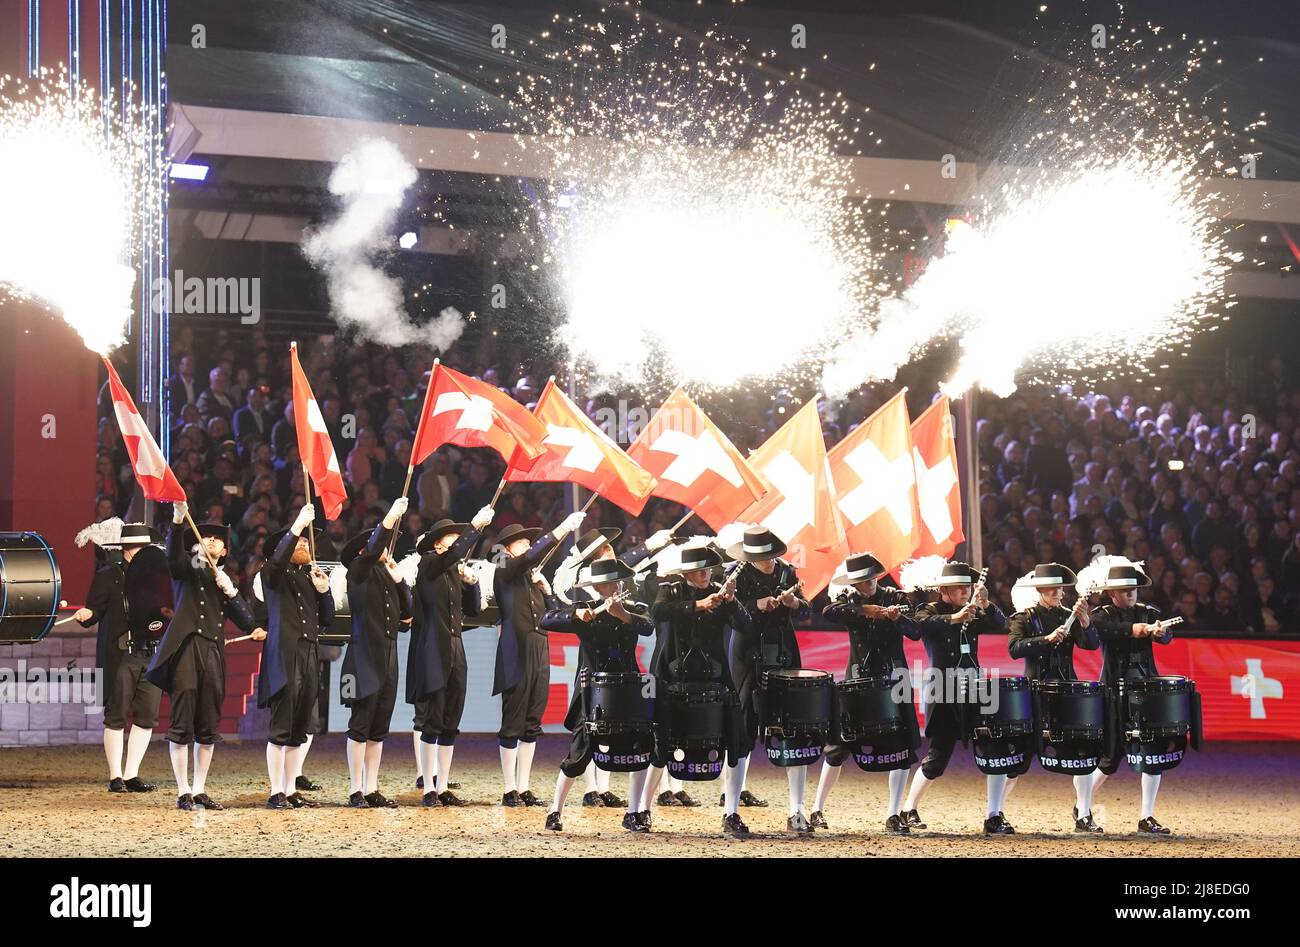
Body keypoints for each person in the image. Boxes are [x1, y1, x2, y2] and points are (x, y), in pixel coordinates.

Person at [147, 502, 261, 810]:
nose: (211, 540)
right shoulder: (186, 568)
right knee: (182, 719)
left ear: (224, 551)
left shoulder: (225, 580)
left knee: (209, 721)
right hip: (186, 648)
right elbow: (172, 557)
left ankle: (199, 789)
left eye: (217, 539)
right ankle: (182, 790)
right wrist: (176, 521)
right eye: (205, 537)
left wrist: (233, 593)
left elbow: (249, 623)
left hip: (213, 650)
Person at [642, 544, 754, 837]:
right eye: (701, 569)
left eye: (708, 569)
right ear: (688, 572)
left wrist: (731, 602)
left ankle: (732, 812)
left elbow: (746, 625)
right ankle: (641, 810)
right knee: (661, 744)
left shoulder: (721, 592)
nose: (706, 574)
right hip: (674, 679)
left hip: (716, 678)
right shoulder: (671, 590)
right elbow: (658, 612)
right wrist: (699, 605)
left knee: (737, 742)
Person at [811, 552, 923, 834]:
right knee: (838, 747)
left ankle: (893, 813)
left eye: (872, 575)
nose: (869, 582)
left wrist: (897, 618)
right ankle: (816, 809)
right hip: (858, 680)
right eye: (862, 579)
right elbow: (828, 612)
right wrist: (866, 610)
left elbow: (915, 632)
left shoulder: (896, 598)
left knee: (902, 747)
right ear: (855, 582)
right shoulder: (849, 602)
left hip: (894, 678)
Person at [902, 560, 1014, 835]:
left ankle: (994, 815)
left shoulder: (976, 609)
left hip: (975, 688)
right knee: (937, 757)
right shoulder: (929, 609)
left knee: (995, 751)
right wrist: (954, 618)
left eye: (968, 587)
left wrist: (986, 605)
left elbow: (1004, 624)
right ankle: (908, 809)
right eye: (959, 587)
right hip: (942, 688)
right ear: (944, 590)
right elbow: (918, 627)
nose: (965, 590)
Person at [543, 557, 654, 832]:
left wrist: (623, 616)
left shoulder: (632, 608)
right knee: (579, 754)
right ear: (599, 586)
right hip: (593, 691)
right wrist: (575, 615)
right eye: (609, 581)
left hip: (628, 690)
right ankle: (555, 811)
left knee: (641, 749)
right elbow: (546, 620)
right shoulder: (586, 610)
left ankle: (634, 812)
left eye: (617, 580)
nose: (615, 585)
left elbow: (648, 626)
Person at [493, 512, 587, 806]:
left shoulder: (529, 578)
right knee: (513, 720)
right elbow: (524, 559)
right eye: (521, 543)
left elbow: (553, 616)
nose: (526, 547)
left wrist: (547, 593)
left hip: (539, 648)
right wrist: (559, 530)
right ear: (508, 548)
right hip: (515, 650)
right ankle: (509, 787)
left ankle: (523, 786)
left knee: (532, 721)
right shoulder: (501, 564)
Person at [726, 526, 813, 833]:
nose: (764, 562)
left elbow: (806, 610)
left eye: (768, 556)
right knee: (743, 731)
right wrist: (755, 606)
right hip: (747, 656)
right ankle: (730, 811)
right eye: (758, 557)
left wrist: (794, 604)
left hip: (783, 654)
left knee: (794, 729)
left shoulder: (788, 573)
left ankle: (797, 809)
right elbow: (728, 611)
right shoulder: (738, 576)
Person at [73, 520, 168, 793]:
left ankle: (131, 774)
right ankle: (116, 775)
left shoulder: (158, 579)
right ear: (126, 549)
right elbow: (94, 611)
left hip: (151, 654)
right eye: (138, 548)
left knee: (146, 716)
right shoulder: (109, 575)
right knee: (115, 715)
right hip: (121, 654)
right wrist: (86, 616)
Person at [410, 506, 494, 808]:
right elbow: (451, 555)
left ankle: (443, 785)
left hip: (456, 647)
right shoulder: (430, 564)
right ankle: (428, 786)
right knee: (432, 718)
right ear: (437, 543)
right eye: (452, 538)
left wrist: (472, 584)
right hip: (433, 648)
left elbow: (471, 611)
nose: (458, 542)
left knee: (450, 719)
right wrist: (474, 527)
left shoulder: (451, 571)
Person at [1088, 561, 1180, 835]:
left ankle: (1147, 816)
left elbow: (1168, 636)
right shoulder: (1102, 614)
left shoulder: (1149, 612)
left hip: (1146, 692)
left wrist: (1161, 632)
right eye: (1125, 591)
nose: (1131, 595)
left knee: (1153, 755)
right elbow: (1103, 630)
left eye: (1134, 590)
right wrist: (1134, 630)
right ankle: (1082, 806)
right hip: (1115, 693)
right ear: (1112, 594)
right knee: (1110, 758)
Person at [1007, 564, 1101, 832]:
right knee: (1019, 757)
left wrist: (1084, 621)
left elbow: (1091, 645)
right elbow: (1014, 649)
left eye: (1060, 588)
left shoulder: (1069, 615)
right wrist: (1045, 639)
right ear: (1040, 590)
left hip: (1066, 692)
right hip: (1034, 694)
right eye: (1053, 589)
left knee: (1080, 754)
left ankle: (1083, 814)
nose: (1059, 592)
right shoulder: (1023, 618)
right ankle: (995, 812)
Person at [256, 504, 334, 810]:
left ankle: (290, 789)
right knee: (281, 727)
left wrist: (324, 590)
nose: (305, 544)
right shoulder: (272, 573)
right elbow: (275, 566)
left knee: (299, 728)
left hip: (308, 654)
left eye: (305, 541)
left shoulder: (307, 576)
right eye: (300, 541)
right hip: (284, 655)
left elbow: (326, 618)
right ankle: (276, 790)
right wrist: (296, 526)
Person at [339, 496, 413, 808]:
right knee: (360, 724)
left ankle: (371, 787)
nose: (382, 548)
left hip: (388, 659)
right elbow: (372, 549)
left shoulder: (386, 574)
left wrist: (401, 583)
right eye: (375, 545)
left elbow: (407, 617)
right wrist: (390, 519)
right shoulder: (356, 570)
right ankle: (356, 788)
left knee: (379, 726)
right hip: (361, 660)